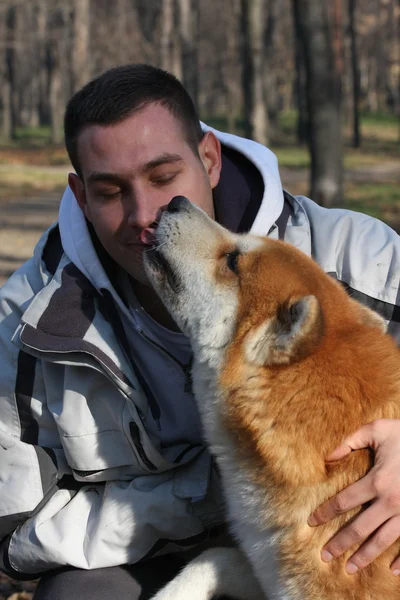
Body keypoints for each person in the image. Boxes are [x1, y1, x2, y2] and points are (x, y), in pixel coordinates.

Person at [1, 63, 400, 600]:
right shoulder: (25, 318)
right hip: (150, 559)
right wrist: (215, 495)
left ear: (209, 159)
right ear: (79, 194)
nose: (145, 214)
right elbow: (14, 526)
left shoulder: (360, 260)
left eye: (164, 178)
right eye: (111, 190)